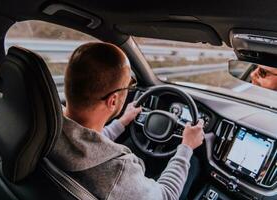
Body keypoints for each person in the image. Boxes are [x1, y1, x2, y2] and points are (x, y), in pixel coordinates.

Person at [49, 42, 204, 200]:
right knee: (194, 165)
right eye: (129, 84)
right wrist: (186, 148)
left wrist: (121, 123)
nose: (130, 88)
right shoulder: (117, 172)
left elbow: (85, 141)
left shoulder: (45, 123)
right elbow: (166, 195)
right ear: (113, 101)